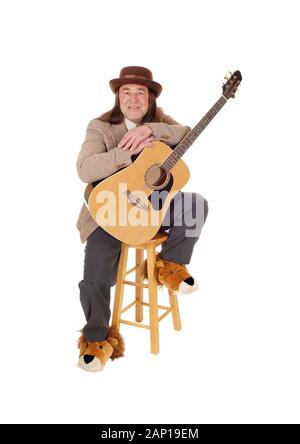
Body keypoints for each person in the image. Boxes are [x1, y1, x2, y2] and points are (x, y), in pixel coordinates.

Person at [76, 66, 208, 372]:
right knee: (95, 272)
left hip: (151, 209)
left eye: (140, 92)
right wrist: (127, 153)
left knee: (195, 206)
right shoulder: (100, 127)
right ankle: (97, 338)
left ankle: (169, 266)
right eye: (126, 92)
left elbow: (187, 134)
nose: (133, 99)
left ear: (150, 98)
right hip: (110, 210)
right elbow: (85, 169)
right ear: (118, 97)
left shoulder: (160, 121)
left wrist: (150, 131)